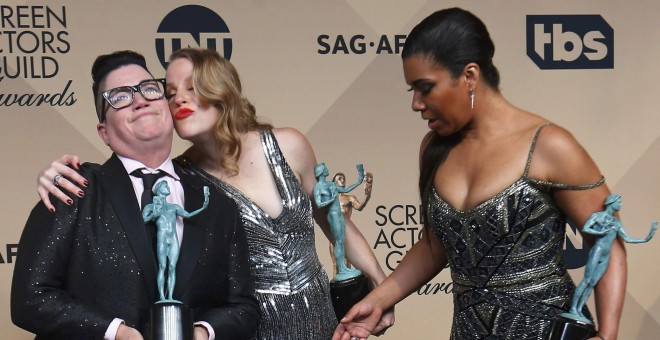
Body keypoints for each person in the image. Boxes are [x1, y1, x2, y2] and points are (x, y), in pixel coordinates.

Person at [35, 48, 394, 339]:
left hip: (321, 319)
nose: (180, 101)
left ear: (220, 86)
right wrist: (54, 174)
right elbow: (120, 194)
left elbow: (334, 220)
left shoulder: (288, 145)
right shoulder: (179, 183)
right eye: (171, 93)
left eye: (192, 87)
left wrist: (382, 290)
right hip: (249, 328)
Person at [332, 8, 627, 340]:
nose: (416, 103)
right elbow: (433, 247)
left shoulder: (549, 145)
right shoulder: (433, 149)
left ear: (469, 76)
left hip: (545, 330)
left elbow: (608, 244)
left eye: (425, 87)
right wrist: (377, 300)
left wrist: (609, 335)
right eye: (412, 90)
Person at [11, 50, 260, 340]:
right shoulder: (71, 188)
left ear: (168, 109)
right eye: (119, 97)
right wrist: (116, 333)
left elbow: (243, 306)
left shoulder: (216, 203)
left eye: (150, 90)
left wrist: (203, 333)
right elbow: (30, 299)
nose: (140, 99)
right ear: (104, 132)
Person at [564, 194, 656, 324]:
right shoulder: (598, 216)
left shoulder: (616, 223)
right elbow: (586, 228)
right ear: (611, 202)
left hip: (606, 255)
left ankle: (578, 309)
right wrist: (600, 233)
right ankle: (573, 308)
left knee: (592, 284)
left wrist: (647, 237)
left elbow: (627, 238)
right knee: (587, 280)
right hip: (598, 250)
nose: (621, 204)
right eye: (619, 201)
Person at [142, 182, 210, 302]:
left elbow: (188, 215)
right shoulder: (151, 206)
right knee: (162, 266)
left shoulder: (174, 207)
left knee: (172, 267)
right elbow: (142, 220)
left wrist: (203, 207)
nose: (168, 187)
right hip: (162, 236)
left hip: (173, 238)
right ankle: (162, 297)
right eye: (165, 186)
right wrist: (154, 214)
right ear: (159, 189)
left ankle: (170, 297)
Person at [314, 163, 365, 281]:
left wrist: (359, 180)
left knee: (341, 242)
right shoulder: (319, 188)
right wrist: (331, 200)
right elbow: (319, 203)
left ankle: (343, 268)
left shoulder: (331, 185)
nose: (327, 169)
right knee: (337, 242)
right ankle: (341, 268)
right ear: (321, 172)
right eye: (325, 168)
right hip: (333, 216)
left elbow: (346, 189)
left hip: (339, 215)